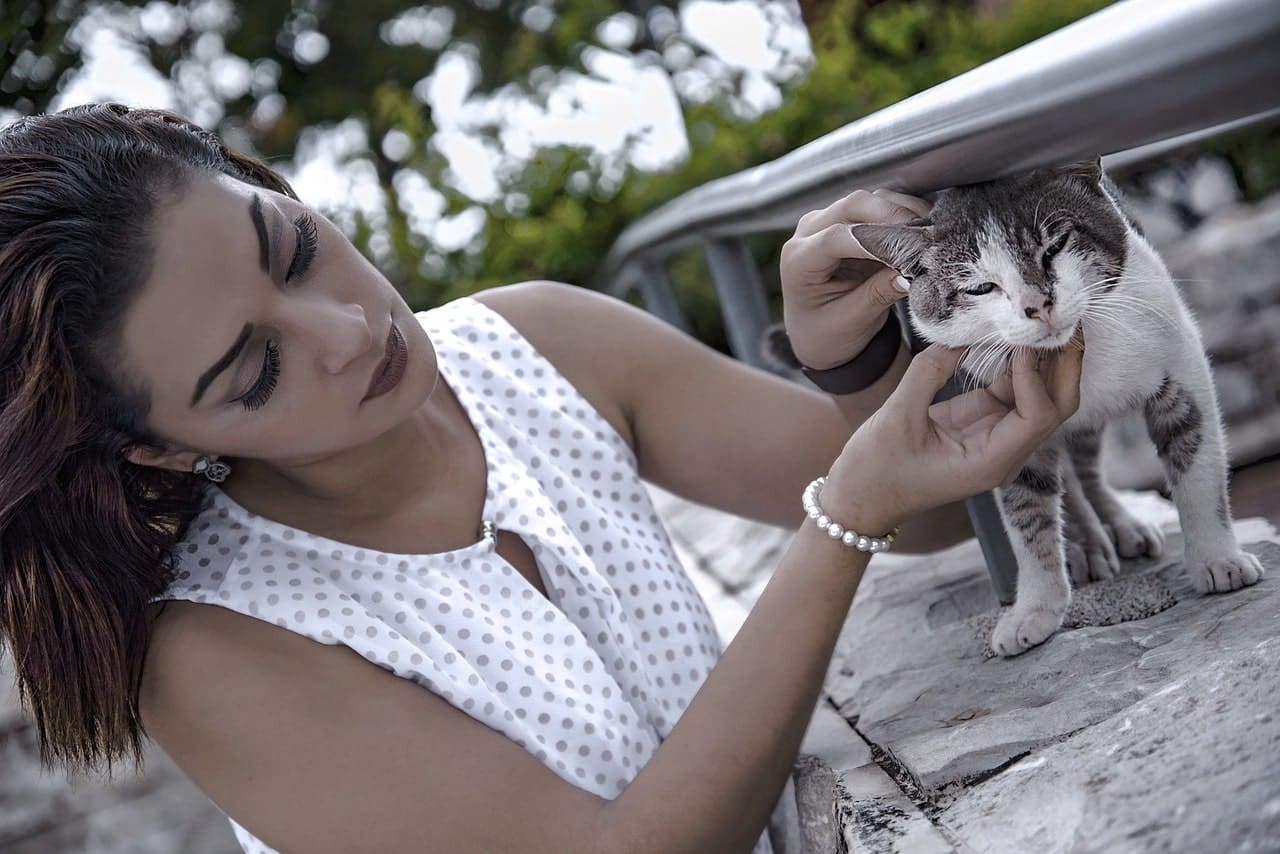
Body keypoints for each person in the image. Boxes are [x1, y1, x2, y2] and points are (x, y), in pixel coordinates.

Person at [0, 103, 1082, 853]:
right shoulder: (214, 648)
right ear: (156, 445)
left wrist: (842, 357)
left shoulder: (531, 341)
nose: (346, 326)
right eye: (257, 370)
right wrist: (842, 516)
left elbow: (933, 510)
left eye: (293, 248)